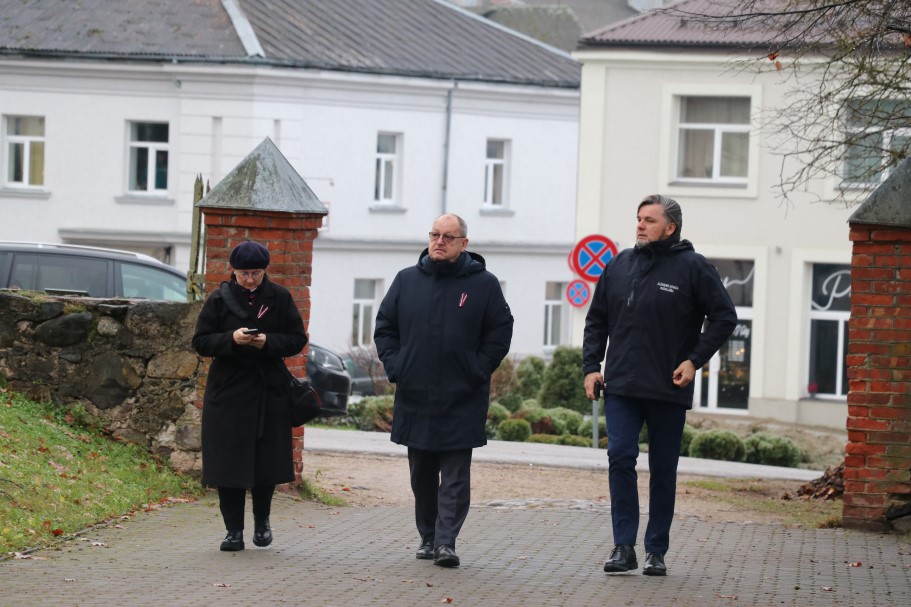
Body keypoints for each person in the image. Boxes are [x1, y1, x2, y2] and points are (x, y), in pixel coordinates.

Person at [582, 195, 737, 577]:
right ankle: (623, 547)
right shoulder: (619, 264)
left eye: (649, 220)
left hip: (668, 387)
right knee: (620, 457)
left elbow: (724, 317)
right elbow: (597, 320)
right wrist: (591, 367)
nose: (640, 225)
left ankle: (656, 550)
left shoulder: (693, 267)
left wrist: (694, 360)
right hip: (622, 385)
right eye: (638, 218)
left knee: (663, 470)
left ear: (670, 227)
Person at [374, 213, 514, 568]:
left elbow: (500, 331)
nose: (439, 242)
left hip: (462, 395)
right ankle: (428, 535)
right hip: (416, 393)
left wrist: (477, 368)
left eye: (448, 237)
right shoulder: (407, 280)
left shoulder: (484, 285)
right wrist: (397, 365)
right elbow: (385, 326)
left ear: (464, 243)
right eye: (435, 234)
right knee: (421, 474)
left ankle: (446, 542)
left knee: (454, 475)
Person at [192, 240, 307, 552]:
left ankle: (262, 522)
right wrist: (231, 339)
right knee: (228, 463)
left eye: (255, 273)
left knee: (265, 462)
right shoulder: (219, 299)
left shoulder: (280, 297)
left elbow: (296, 339)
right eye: (243, 273)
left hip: (268, 389)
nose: (249, 279)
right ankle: (233, 531)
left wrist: (267, 342)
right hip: (227, 392)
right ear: (233, 271)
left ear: (265, 270)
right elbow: (201, 342)